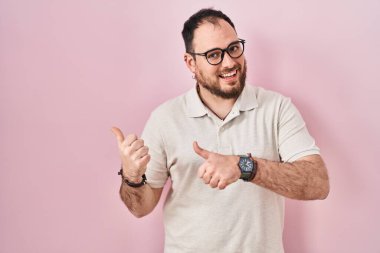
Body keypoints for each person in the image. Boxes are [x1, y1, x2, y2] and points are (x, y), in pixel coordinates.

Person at [111, 8, 329, 253]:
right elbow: (140, 208)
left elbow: (318, 184)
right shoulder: (164, 119)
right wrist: (132, 177)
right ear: (191, 63)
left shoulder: (277, 108)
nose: (229, 62)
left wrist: (244, 167)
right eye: (214, 55)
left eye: (234, 48)